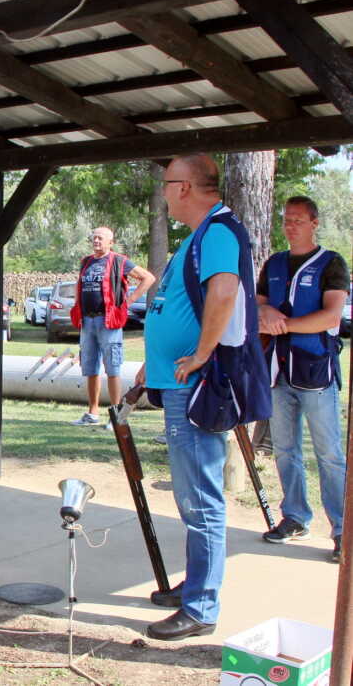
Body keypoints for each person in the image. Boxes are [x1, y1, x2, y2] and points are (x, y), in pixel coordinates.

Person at [138, 154, 267, 641]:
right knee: (192, 497)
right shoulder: (200, 235)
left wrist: (200, 354)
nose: (165, 192)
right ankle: (197, 584)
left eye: (168, 183)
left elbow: (224, 293)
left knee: (201, 498)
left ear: (185, 187)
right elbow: (181, 302)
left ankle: (201, 606)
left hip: (196, 385)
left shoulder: (217, 232)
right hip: (177, 383)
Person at [256, 196, 348, 562]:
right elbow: (259, 304)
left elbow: (330, 317)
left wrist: (285, 325)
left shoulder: (332, 263)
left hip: (316, 371)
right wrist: (265, 311)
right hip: (278, 372)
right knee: (284, 450)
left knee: (329, 454)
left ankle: (342, 529)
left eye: (298, 219)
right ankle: (294, 517)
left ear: (314, 222)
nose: (291, 225)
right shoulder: (274, 263)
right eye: (286, 220)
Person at [70, 227, 155, 426]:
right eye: (94, 238)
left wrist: (128, 301)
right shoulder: (86, 262)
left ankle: (116, 416)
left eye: (100, 238)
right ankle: (92, 413)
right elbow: (79, 284)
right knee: (90, 368)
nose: (96, 241)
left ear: (110, 242)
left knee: (112, 368)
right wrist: (76, 305)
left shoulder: (119, 261)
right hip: (87, 321)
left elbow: (148, 278)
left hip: (108, 321)